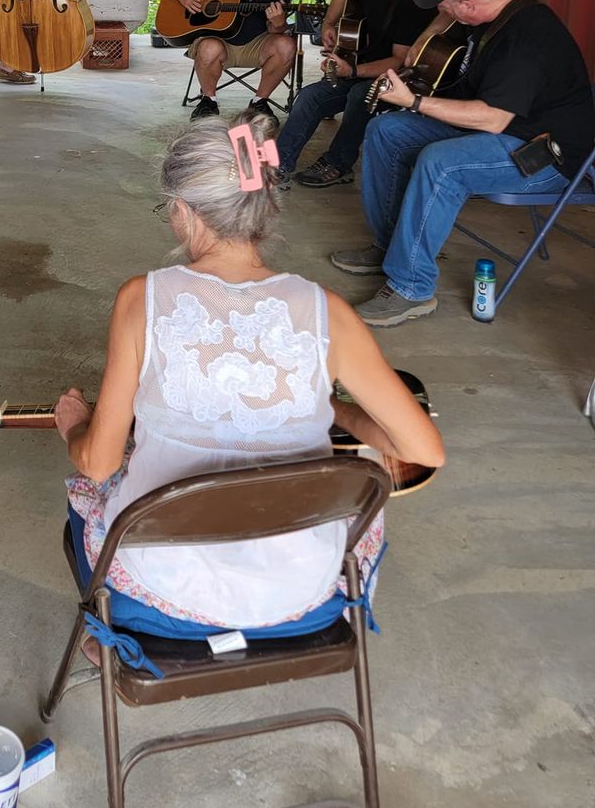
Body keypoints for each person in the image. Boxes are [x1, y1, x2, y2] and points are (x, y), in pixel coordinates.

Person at [56, 116, 444, 639]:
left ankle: (114, 642)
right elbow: (423, 450)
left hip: (170, 583)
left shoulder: (141, 301)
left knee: (89, 486)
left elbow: (99, 463)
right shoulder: (328, 312)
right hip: (300, 585)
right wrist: (337, 410)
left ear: (183, 213)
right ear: (265, 206)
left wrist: (76, 427)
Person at [330, 0, 595, 326]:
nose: (442, 13)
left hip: (545, 153)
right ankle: (392, 247)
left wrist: (415, 101)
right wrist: (411, 88)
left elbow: (491, 117)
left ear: (468, 2)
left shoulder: (528, 37)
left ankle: (411, 288)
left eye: (445, 5)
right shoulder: (494, 13)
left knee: (442, 163)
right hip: (501, 128)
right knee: (387, 130)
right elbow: (454, 65)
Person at [276, 0, 434, 188]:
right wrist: (328, 23)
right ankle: (279, 163)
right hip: (357, 69)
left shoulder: (412, 3)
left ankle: (338, 163)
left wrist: (354, 70)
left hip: (395, 81)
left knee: (360, 95)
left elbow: (400, 60)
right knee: (309, 96)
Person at [156, 0, 295, 122]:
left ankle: (259, 102)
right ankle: (208, 101)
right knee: (209, 47)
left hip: (255, 44)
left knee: (286, 44)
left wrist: (279, 23)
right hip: (217, 42)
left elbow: (276, 30)